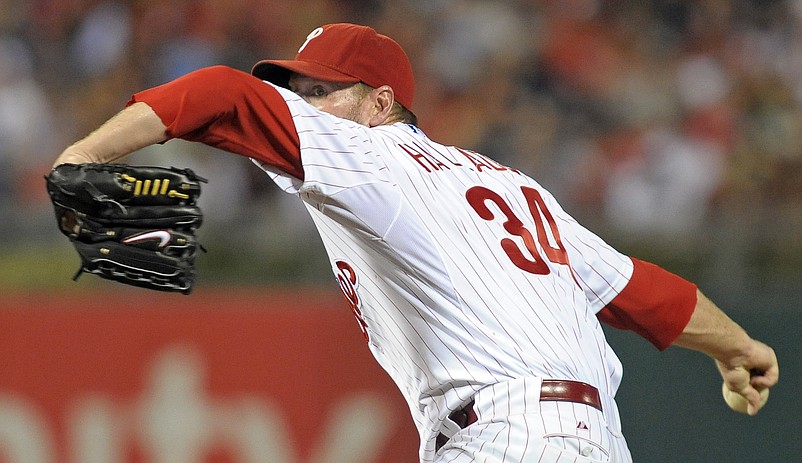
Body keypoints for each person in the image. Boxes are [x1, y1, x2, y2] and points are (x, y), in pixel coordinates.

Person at [53, 23, 778, 463]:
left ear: (381, 104)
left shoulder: (373, 155)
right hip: (590, 440)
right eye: (298, 93)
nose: (304, 109)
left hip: (505, 437)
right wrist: (737, 346)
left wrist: (83, 155)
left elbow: (219, 90)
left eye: (320, 91)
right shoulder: (514, 186)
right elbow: (634, 289)